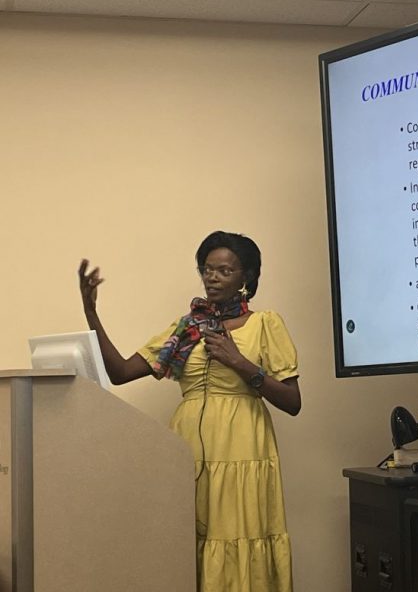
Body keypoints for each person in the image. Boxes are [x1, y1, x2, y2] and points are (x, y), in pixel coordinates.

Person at [78, 231, 301, 592]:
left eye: (224, 271)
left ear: (246, 278)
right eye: (207, 269)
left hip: (243, 449)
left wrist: (240, 363)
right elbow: (120, 373)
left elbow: (292, 402)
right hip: (186, 452)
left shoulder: (266, 324)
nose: (212, 278)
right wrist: (91, 312)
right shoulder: (186, 328)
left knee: (238, 535)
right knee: (185, 542)